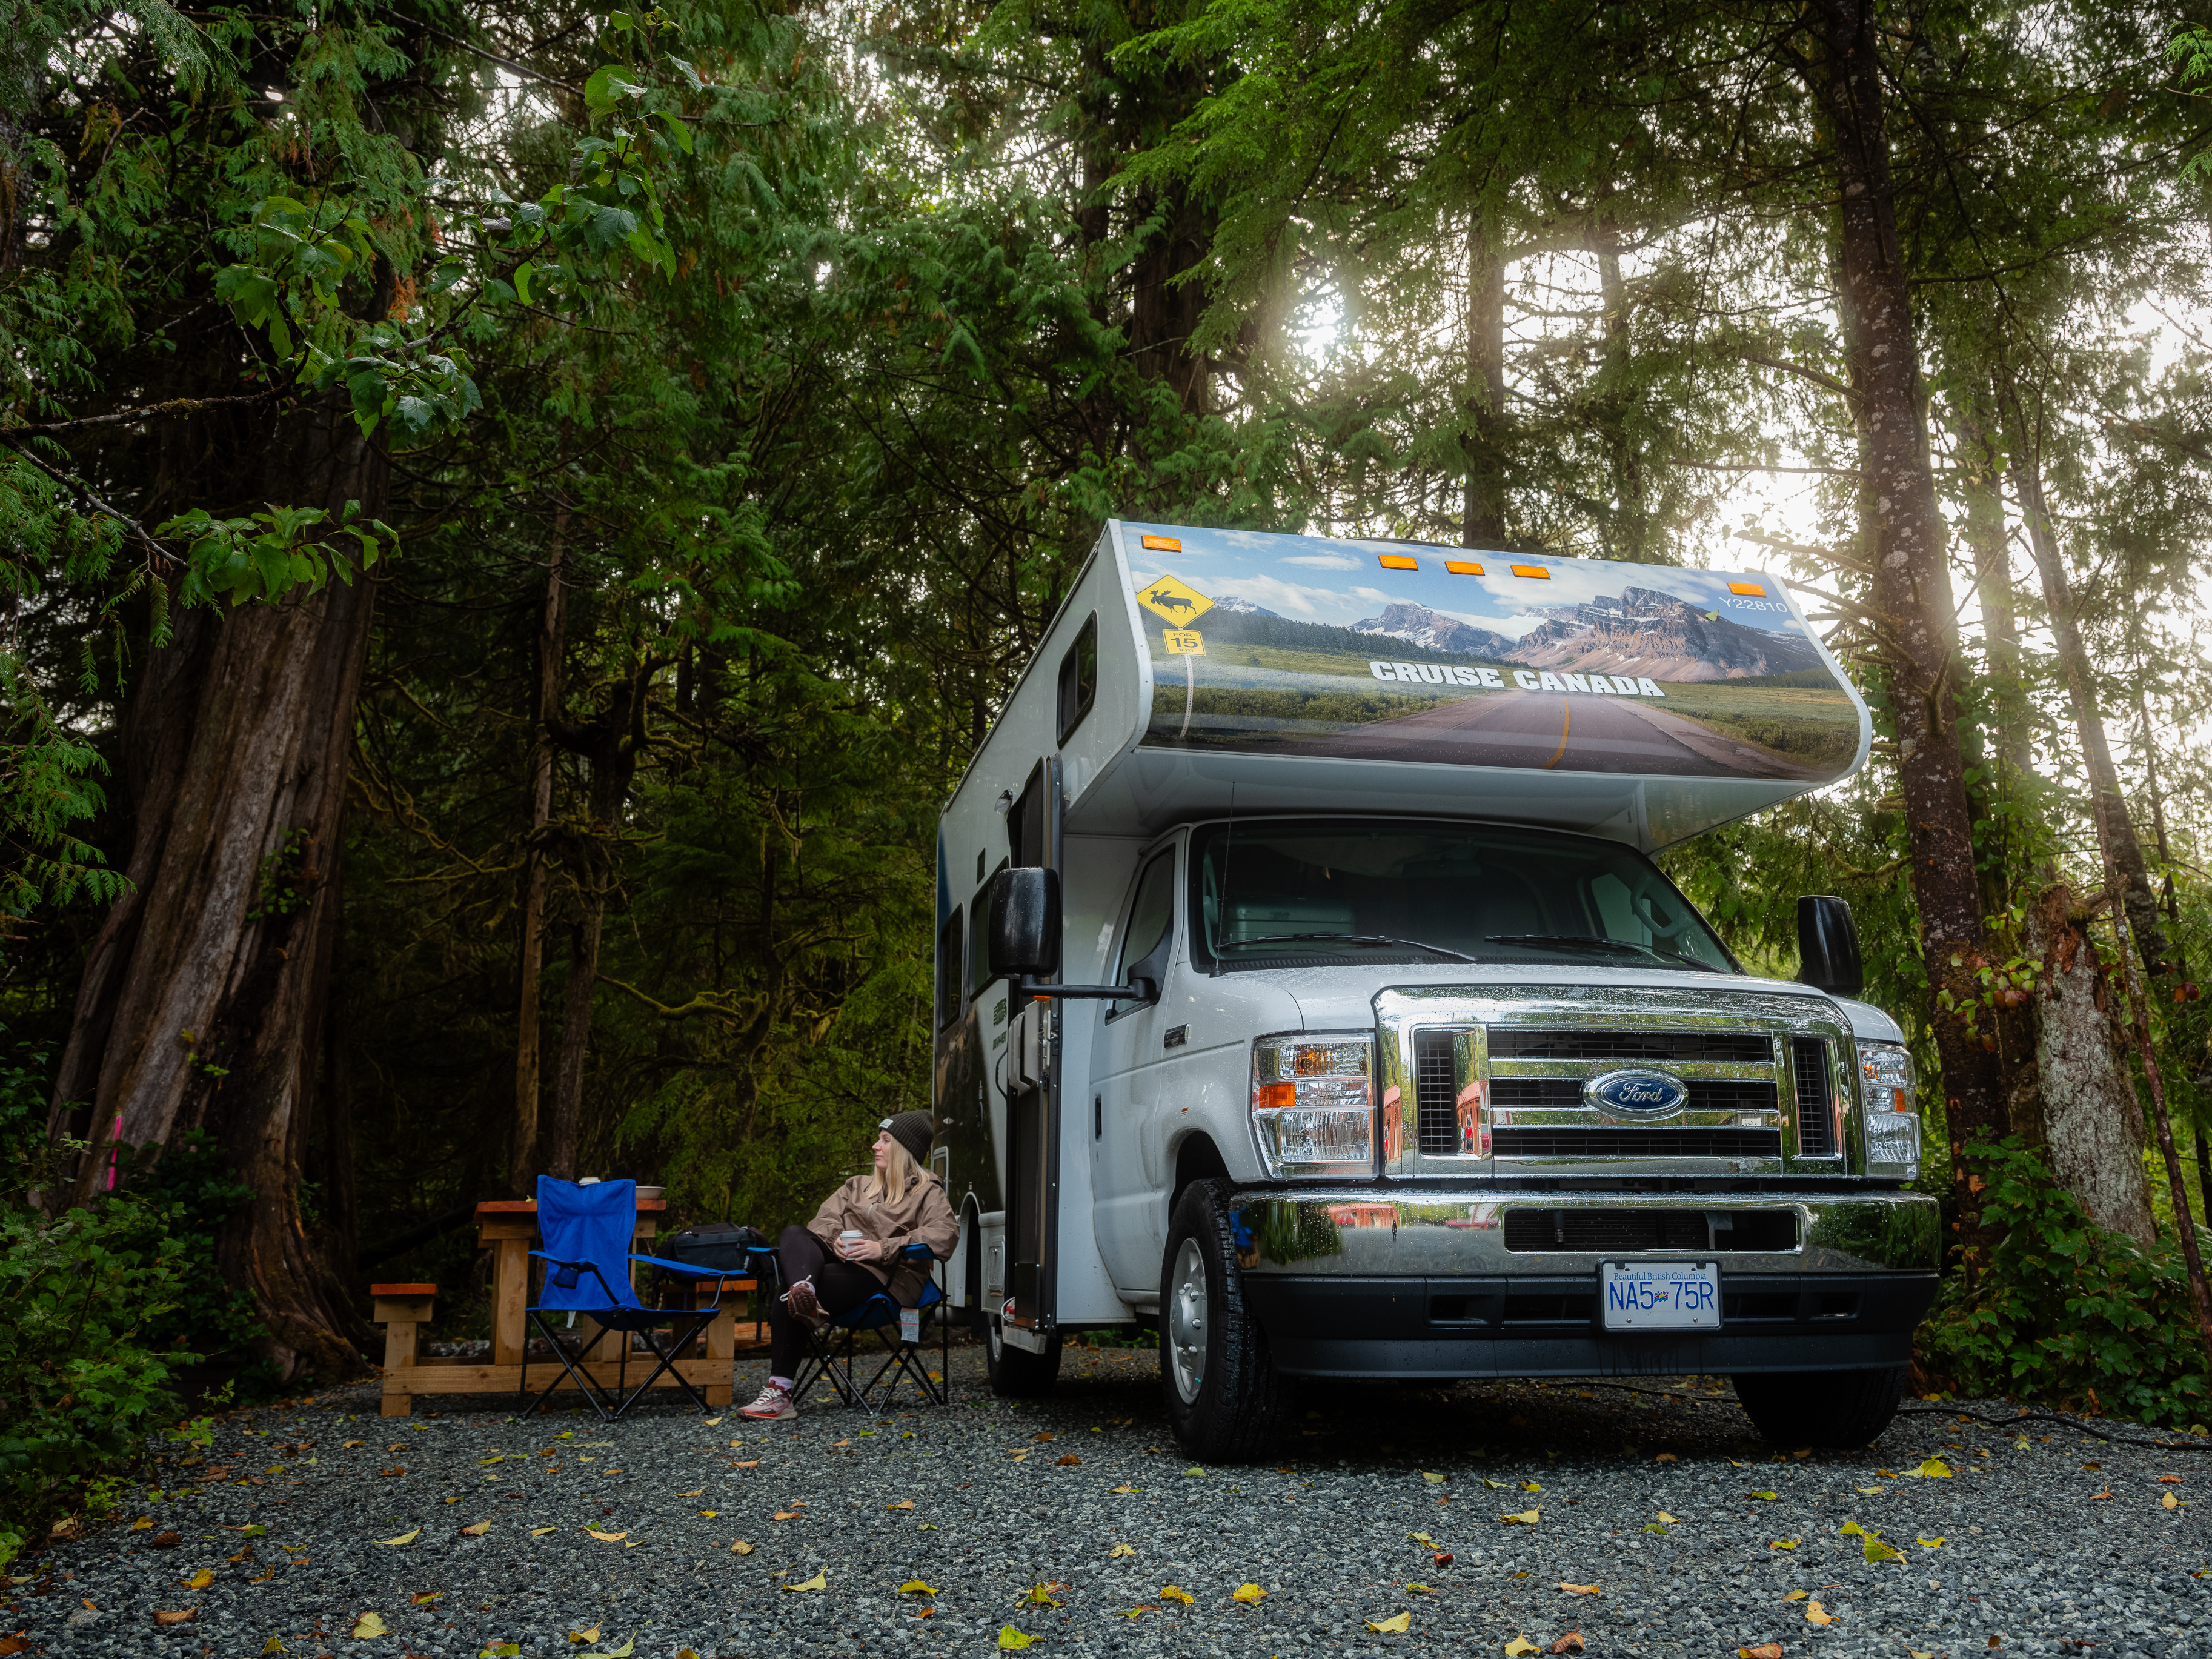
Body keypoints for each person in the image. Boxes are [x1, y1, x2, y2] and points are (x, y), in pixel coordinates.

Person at [739, 1110, 957, 1420]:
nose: (874, 1146)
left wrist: (883, 1248)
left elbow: (944, 1235)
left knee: (787, 1289)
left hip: (885, 1282)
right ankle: (806, 1291)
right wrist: (836, 1241)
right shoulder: (856, 1186)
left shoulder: (928, 1193)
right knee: (795, 1233)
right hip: (840, 1272)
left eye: (884, 1141)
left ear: (904, 1151)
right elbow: (823, 1221)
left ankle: (781, 1392)